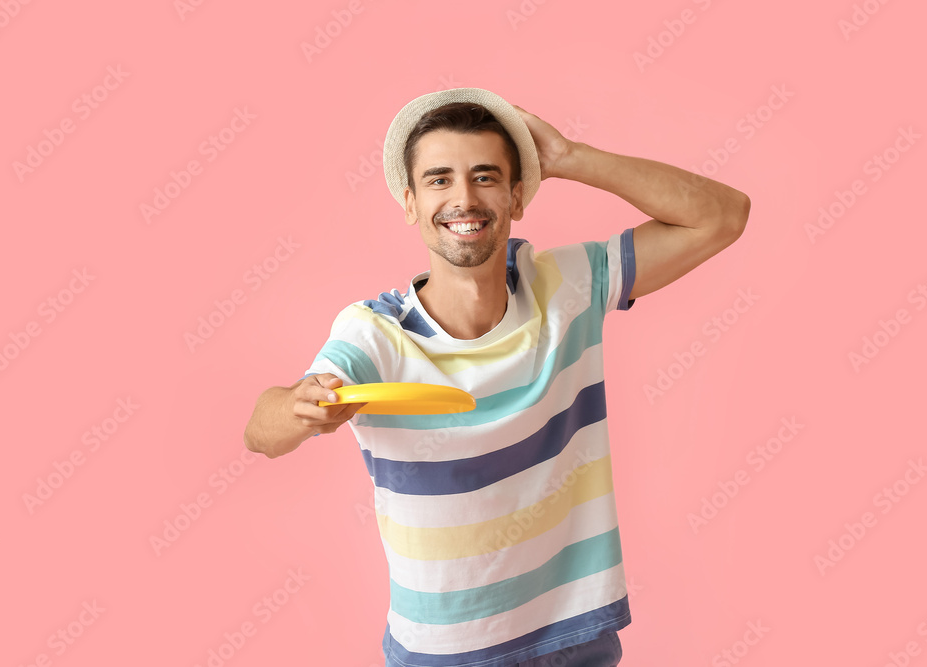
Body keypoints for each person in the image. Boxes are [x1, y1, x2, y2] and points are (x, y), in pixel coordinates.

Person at [244, 88, 751, 666]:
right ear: (409, 202)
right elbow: (263, 433)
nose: (463, 198)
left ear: (516, 196)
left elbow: (723, 215)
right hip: (444, 654)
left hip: (575, 638)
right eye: (438, 180)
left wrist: (570, 157)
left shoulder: (568, 285)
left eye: (485, 177)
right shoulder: (375, 333)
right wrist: (300, 406)